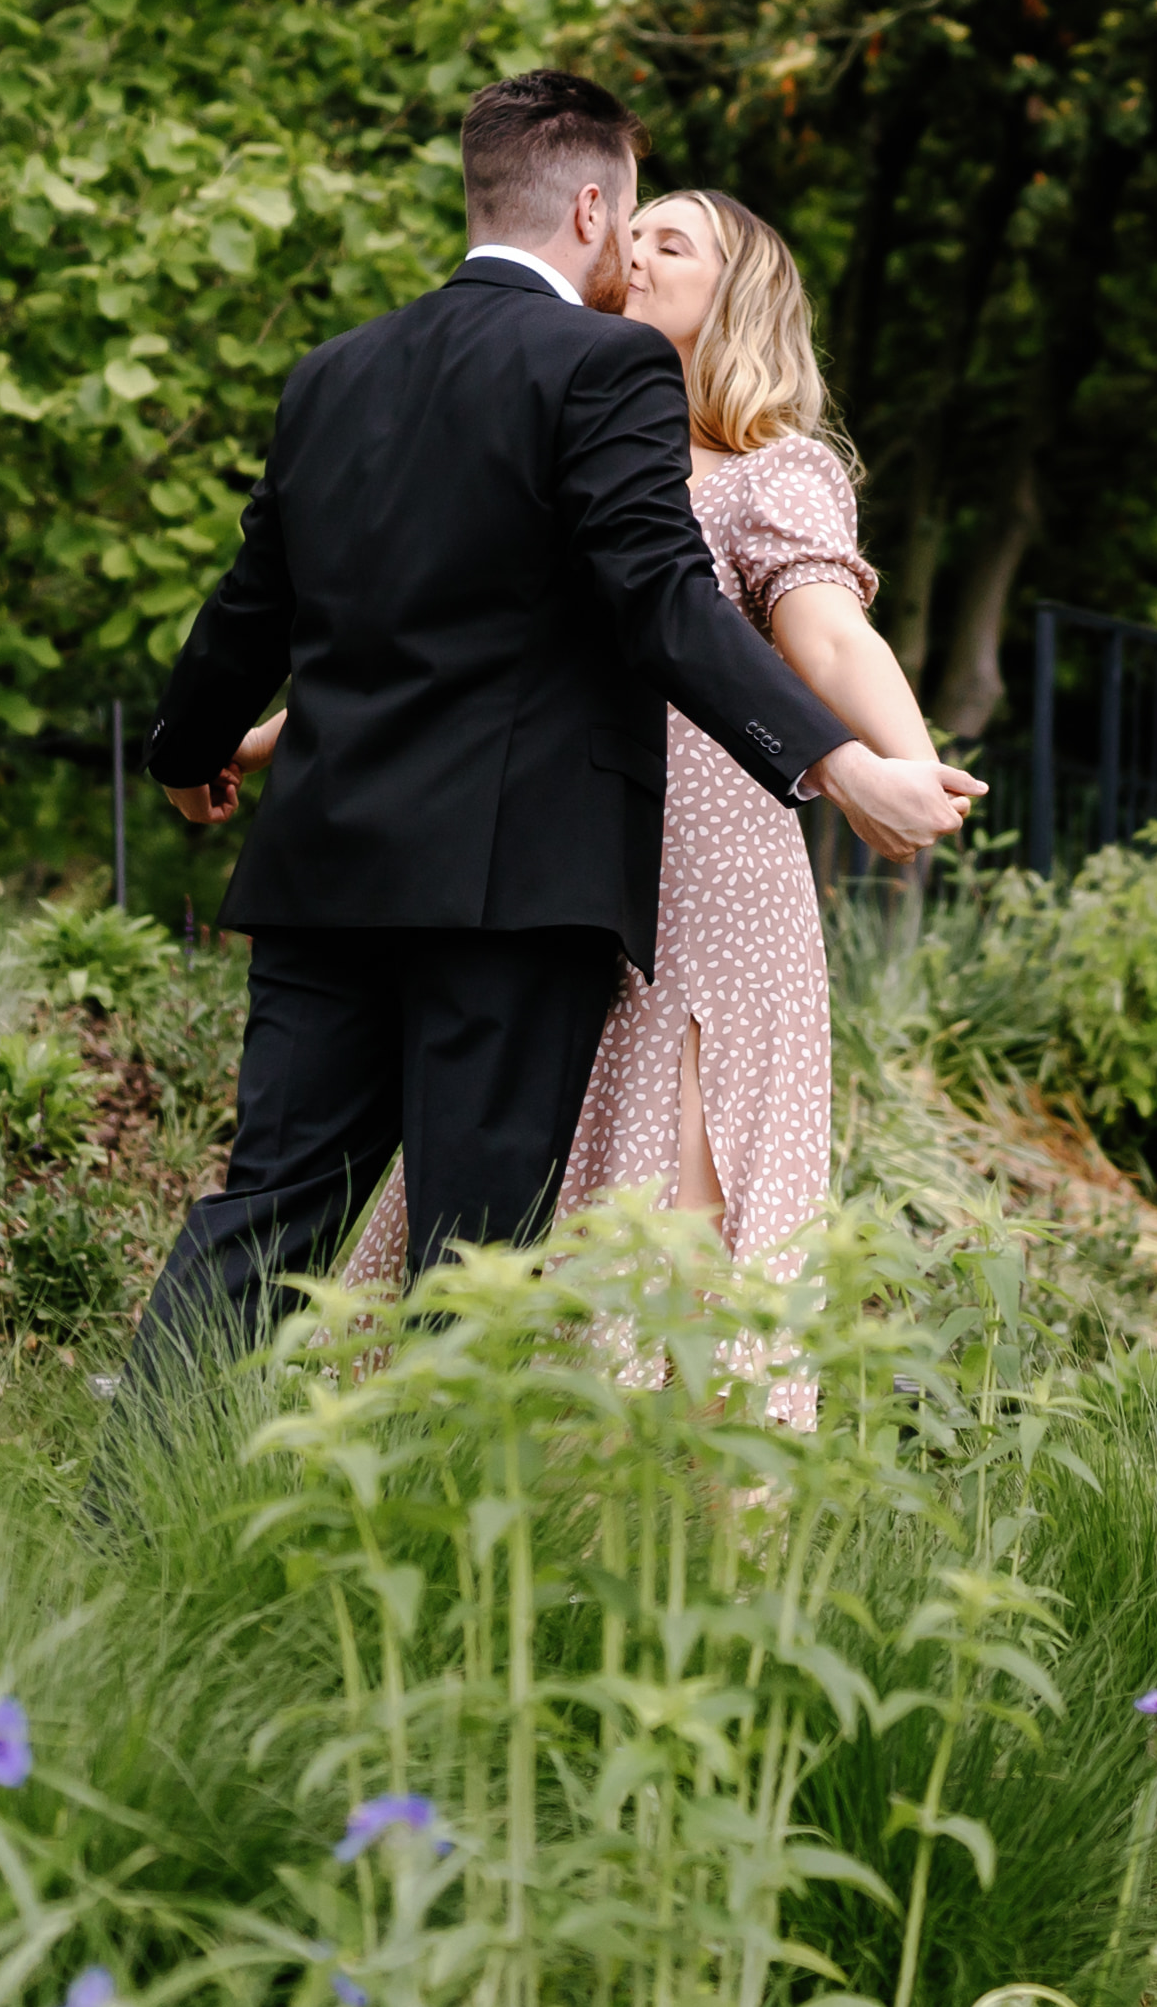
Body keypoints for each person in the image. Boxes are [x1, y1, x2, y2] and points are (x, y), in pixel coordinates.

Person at [123, 73, 978, 1359]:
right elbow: (657, 602)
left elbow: (276, 607)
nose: (632, 247)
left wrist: (189, 746)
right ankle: (446, 1539)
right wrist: (840, 768)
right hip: (513, 886)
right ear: (588, 205)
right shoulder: (607, 363)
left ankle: (128, 1526)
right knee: (473, 1253)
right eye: (631, 219)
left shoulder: (336, 372)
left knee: (267, 1213)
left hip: (331, 867)